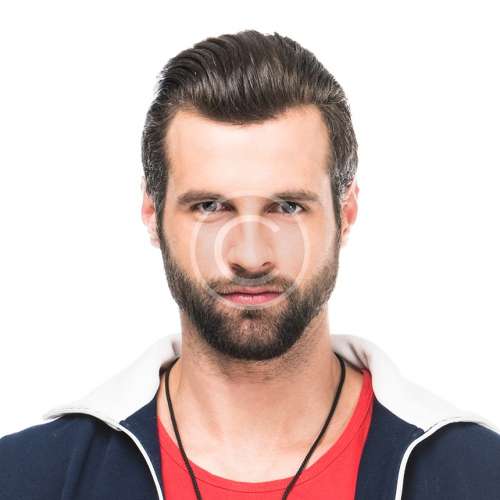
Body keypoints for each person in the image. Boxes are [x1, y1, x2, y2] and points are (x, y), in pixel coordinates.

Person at [1, 29, 499, 500]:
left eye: (287, 207)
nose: (249, 256)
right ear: (152, 214)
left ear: (345, 214)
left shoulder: (480, 475)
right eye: (210, 207)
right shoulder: (27, 477)